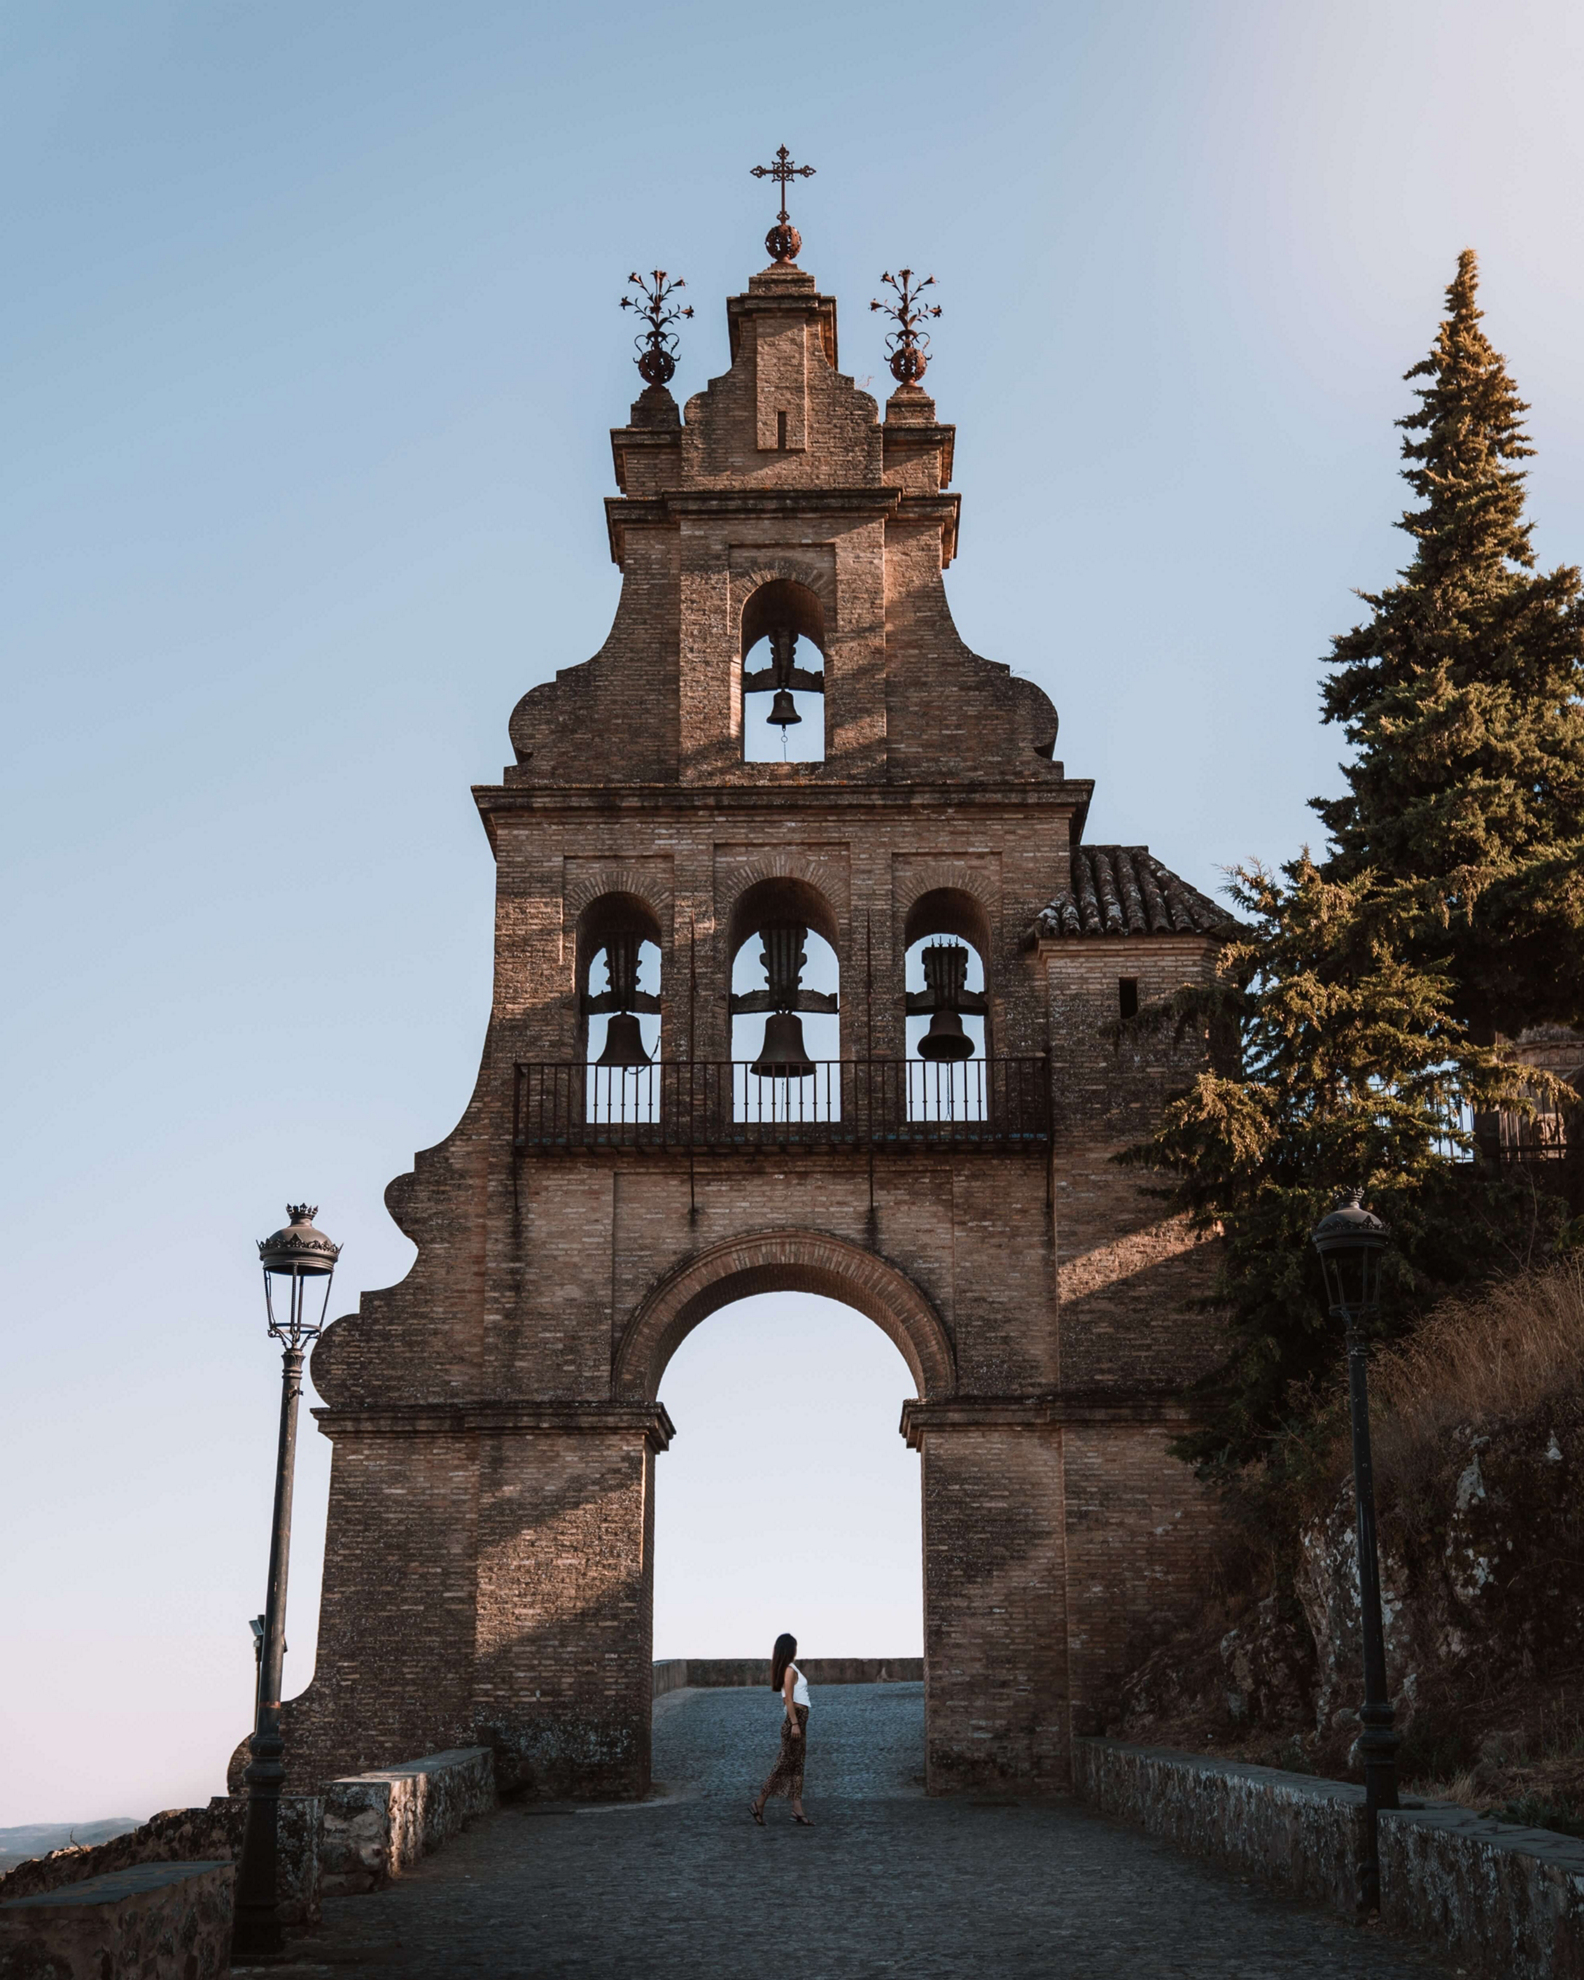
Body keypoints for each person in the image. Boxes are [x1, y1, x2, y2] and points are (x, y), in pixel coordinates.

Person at [749, 1631, 813, 1826]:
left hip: (800, 1721)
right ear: (789, 1649)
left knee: (797, 1767)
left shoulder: (791, 1668)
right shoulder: (789, 1671)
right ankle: (758, 1804)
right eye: (794, 1647)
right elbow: (788, 1700)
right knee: (783, 1766)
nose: (796, 1650)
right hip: (795, 1722)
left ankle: (797, 1809)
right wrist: (795, 1724)